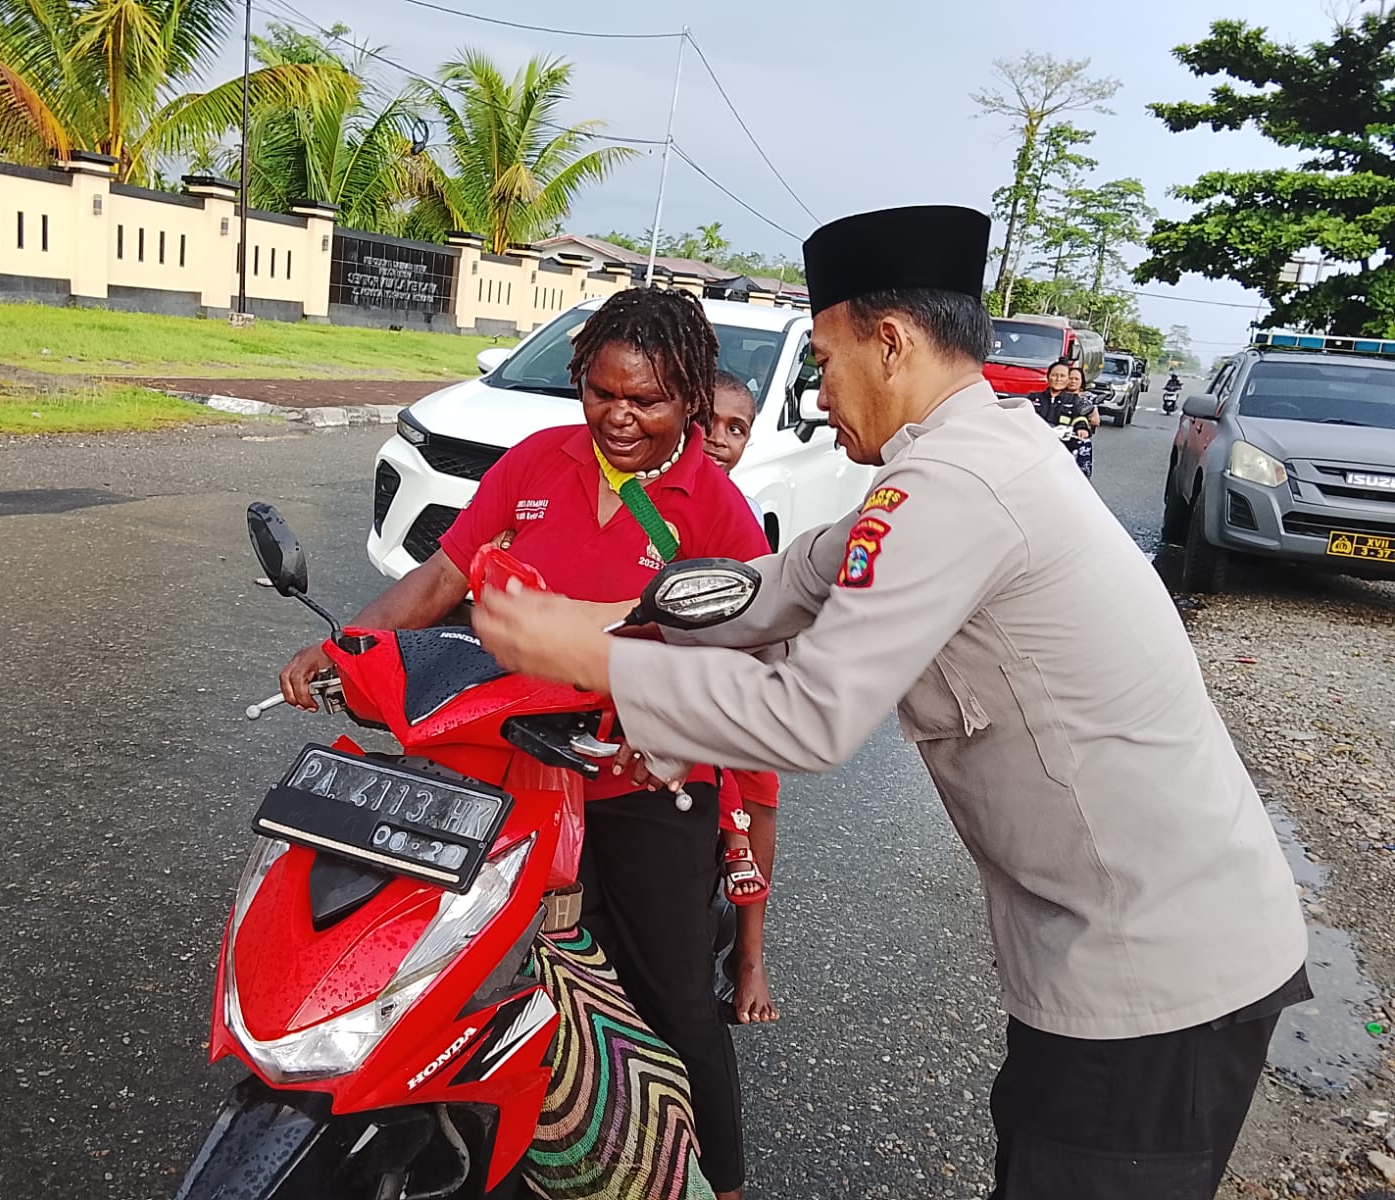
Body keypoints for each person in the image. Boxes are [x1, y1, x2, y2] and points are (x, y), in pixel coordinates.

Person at [472, 204, 1311, 1200]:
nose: (819, 395)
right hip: (1108, 944)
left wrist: (591, 657)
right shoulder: (960, 456)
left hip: (1154, 966)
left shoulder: (957, 483)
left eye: (825, 363)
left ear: (891, 342)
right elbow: (786, 580)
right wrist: (617, 616)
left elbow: (810, 713)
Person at [281, 287, 764, 1200]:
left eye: (647, 400)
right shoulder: (538, 461)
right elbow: (443, 576)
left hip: (645, 783)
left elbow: (747, 653)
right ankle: (545, 1148)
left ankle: (725, 1181)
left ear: (690, 400)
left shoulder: (714, 506)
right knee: (500, 972)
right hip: (522, 769)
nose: (618, 417)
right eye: (602, 393)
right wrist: (348, 647)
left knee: (672, 999)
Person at [704, 368, 781, 1026]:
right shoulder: (642, 497)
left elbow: (761, 614)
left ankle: (750, 953)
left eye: (737, 429)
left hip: (727, 671)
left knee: (759, 785)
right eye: (708, 422)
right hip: (646, 667)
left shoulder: (742, 513)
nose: (720, 439)